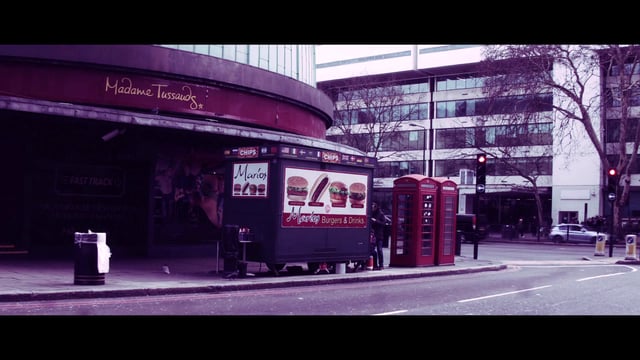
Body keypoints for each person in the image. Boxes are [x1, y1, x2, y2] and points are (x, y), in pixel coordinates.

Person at [370, 202, 386, 270]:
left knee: (379, 250)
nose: (372, 208)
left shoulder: (381, 214)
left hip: (379, 235)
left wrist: (375, 220)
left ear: (376, 206)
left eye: (373, 206)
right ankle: (375, 265)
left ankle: (381, 265)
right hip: (373, 235)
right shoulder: (371, 213)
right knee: (372, 250)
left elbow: (383, 223)